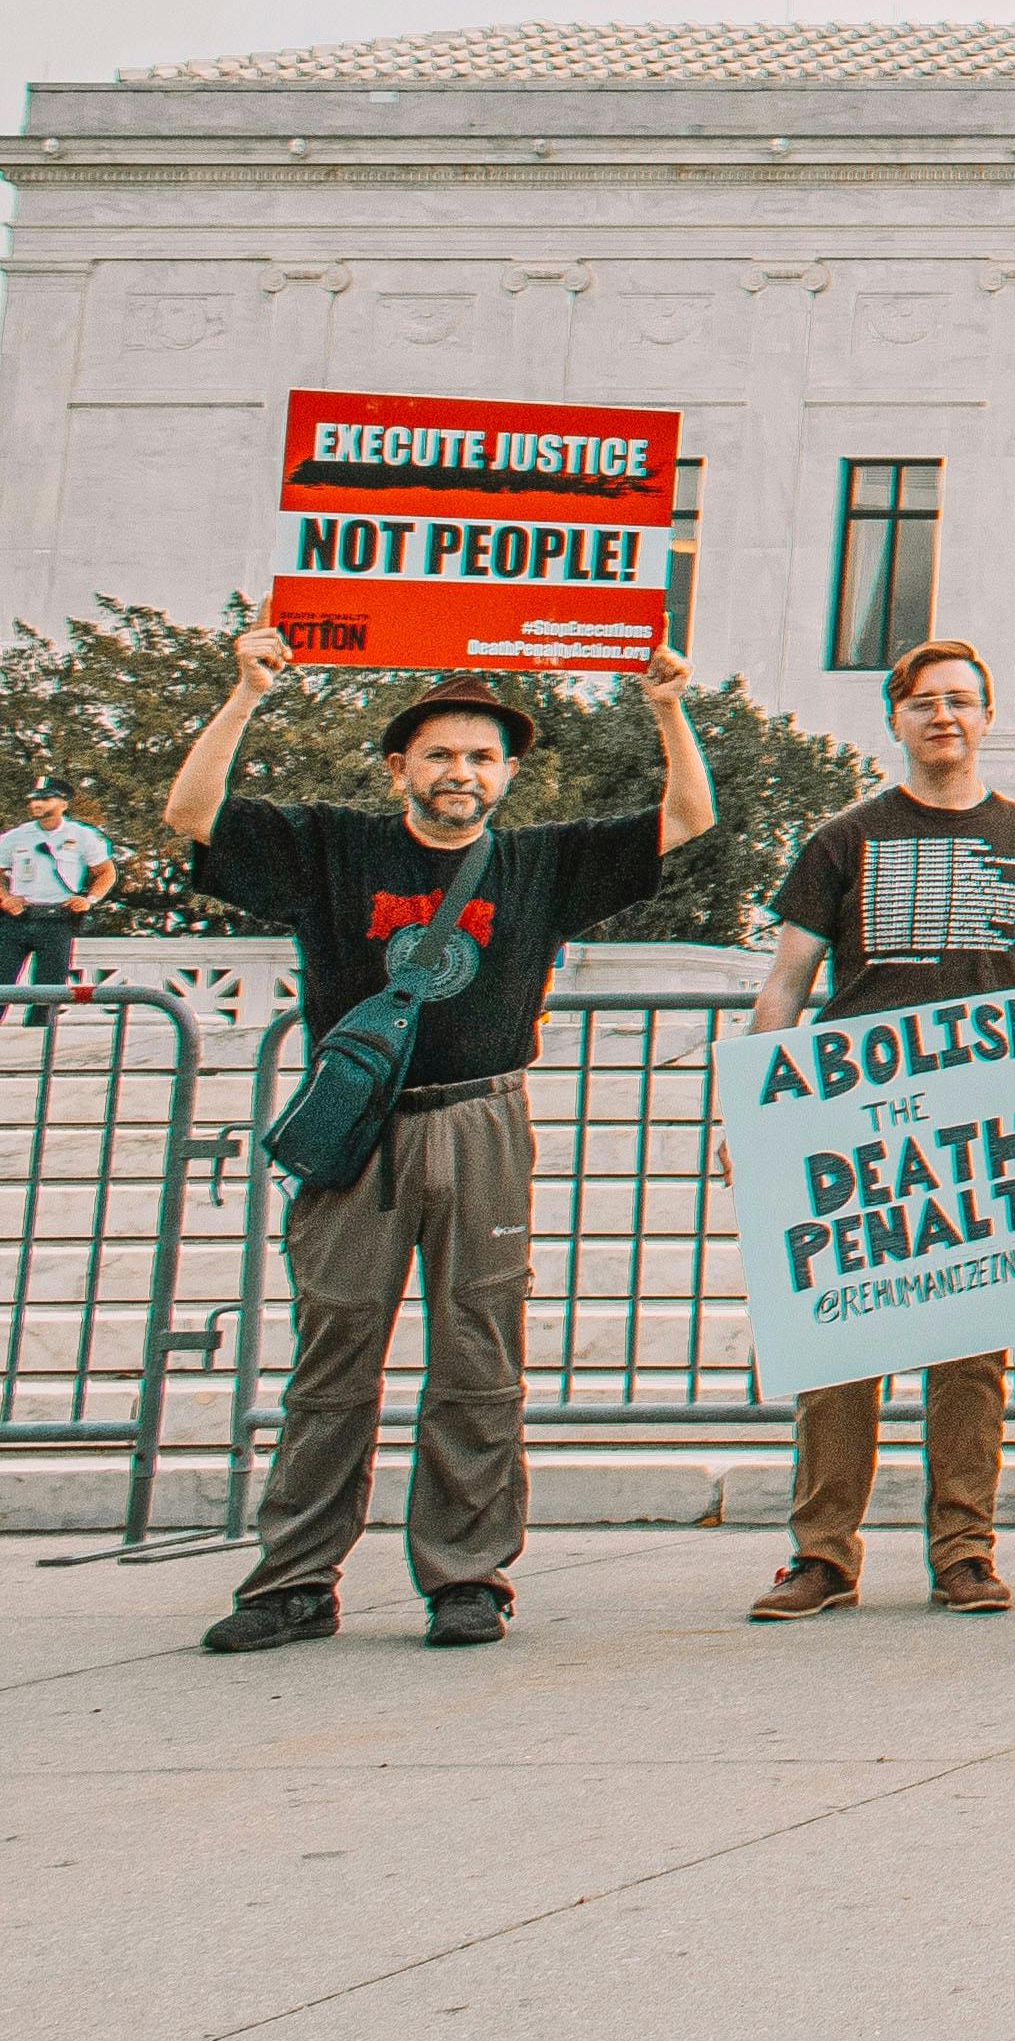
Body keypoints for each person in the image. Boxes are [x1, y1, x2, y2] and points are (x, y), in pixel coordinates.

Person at [171, 622, 710, 1652]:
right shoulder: (332, 844)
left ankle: (468, 1575)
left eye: (481, 756)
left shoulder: (542, 862)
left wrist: (666, 706)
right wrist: (245, 693)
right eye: (440, 753)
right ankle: (293, 1578)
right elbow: (190, 814)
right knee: (334, 1358)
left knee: (478, 1357)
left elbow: (688, 817)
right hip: (361, 1130)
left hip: (483, 1119)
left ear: (506, 775)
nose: (460, 772)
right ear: (398, 768)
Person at [747, 639, 1015, 1622]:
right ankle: (822, 1555)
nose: (943, 716)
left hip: (984, 1130)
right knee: (838, 1354)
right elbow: (787, 982)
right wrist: (752, 1110)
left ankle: (964, 1550)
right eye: (923, 702)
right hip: (850, 1126)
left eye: (961, 700)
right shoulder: (842, 840)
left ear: (988, 717)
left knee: (973, 1354)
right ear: (895, 720)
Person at [6, 774, 120, 1012]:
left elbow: (106, 873)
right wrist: (5, 898)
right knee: (2, 982)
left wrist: (89, 900)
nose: (36, 804)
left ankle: (41, 1038)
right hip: (17, 919)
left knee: (49, 990)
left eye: (46, 799)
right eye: (33, 799)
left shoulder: (82, 835)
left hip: (56, 918)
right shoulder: (17, 836)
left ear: (63, 803)